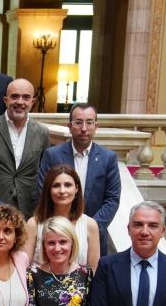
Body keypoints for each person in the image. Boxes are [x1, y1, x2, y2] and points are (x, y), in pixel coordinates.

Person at [37, 103, 121, 257]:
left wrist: (91, 227)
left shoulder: (108, 158)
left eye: (89, 122)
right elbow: (43, 192)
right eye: (78, 122)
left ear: (96, 126)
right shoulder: (52, 155)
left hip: (92, 238)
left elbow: (112, 199)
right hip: (56, 236)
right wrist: (61, 226)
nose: (84, 128)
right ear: (69, 126)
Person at [0, 79, 49, 218]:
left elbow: (44, 173)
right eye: (14, 96)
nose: (20, 102)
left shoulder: (42, 133)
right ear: (5, 100)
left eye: (26, 97)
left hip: (29, 208)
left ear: (32, 102)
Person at [24, 165, 101, 270]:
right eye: (56, 185)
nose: (62, 190)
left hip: (79, 285)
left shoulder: (90, 225)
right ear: (48, 190)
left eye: (68, 185)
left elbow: (94, 270)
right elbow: (23, 267)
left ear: (77, 188)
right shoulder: (33, 224)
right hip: (38, 285)